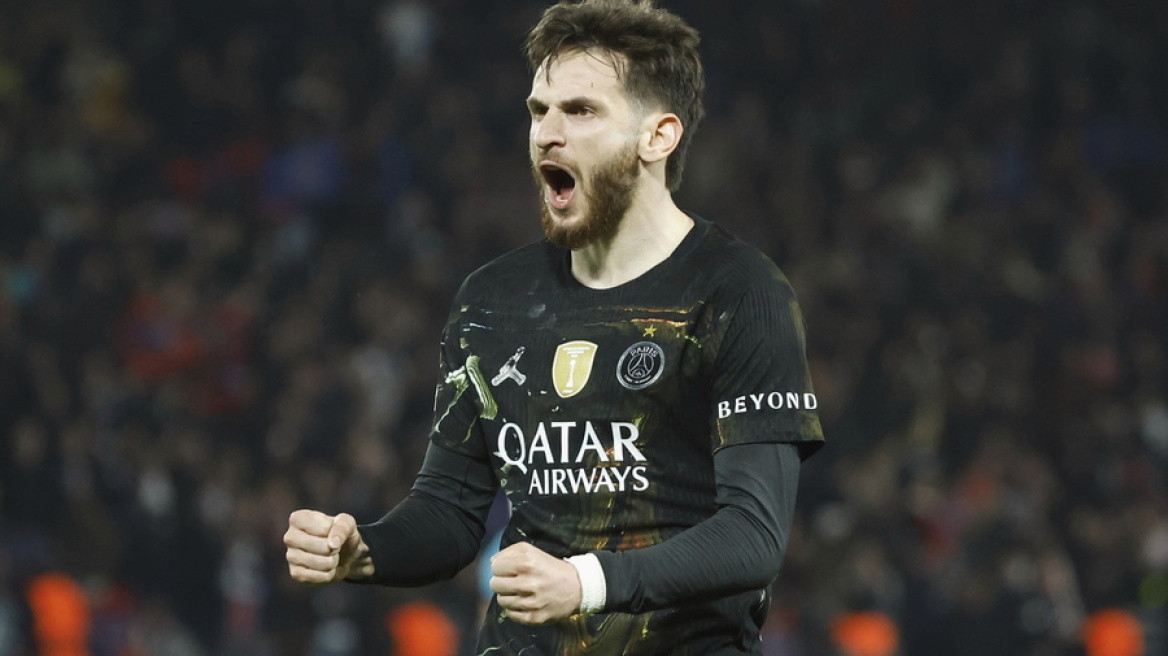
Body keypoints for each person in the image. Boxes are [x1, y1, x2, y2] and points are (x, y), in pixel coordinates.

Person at [283, 0, 824, 653]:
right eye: (539, 110)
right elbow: (451, 511)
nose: (546, 133)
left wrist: (584, 582)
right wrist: (365, 550)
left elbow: (753, 535)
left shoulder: (739, 292)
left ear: (658, 136)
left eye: (581, 110)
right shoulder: (492, 300)